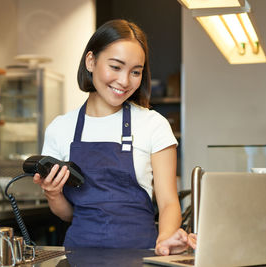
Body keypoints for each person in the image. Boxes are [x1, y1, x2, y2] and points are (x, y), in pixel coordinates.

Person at [33, 19, 195, 255]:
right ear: (91, 61)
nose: (124, 81)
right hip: (80, 257)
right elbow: (68, 213)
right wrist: (53, 193)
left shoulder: (153, 124)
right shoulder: (60, 129)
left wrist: (164, 241)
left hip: (143, 255)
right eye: (116, 67)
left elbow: (169, 203)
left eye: (135, 72)